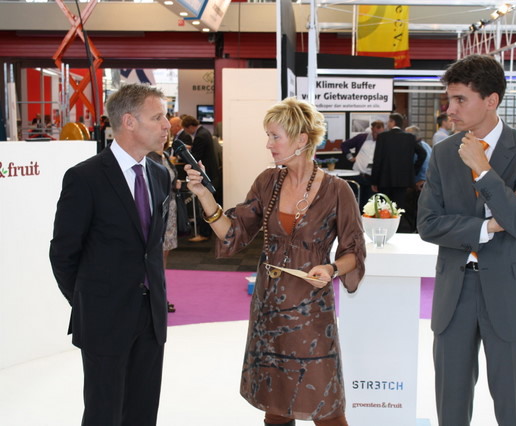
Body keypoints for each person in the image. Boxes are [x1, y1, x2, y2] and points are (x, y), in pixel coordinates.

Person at [185, 96, 366, 426]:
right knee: (276, 403)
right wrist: (204, 195)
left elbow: (354, 251)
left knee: (326, 407)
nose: (268, 144)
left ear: (301, 140)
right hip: (268, 307)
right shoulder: (267, 182)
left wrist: (331, 268)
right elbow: (233, 234)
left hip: (311, 311)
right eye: (268, 135)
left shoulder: (338, 190)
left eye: (274, 136)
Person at [417, 54, 516, 426]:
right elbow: (428, 224)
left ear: (491, 100)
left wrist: (483, 168)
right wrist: (489, 226)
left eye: (460, 99)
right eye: (450, 99)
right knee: (451, 402)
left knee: (513, 404)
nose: (450, 109)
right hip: (455, 290)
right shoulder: (443, 153)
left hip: (510, 290)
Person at [49, 83, 171, 426]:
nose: (167, 125)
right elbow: (63, 253)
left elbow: (151, 248)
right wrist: (90, 301)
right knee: (103, 414)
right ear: (129, 122)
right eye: (158, 117)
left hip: (151, 317)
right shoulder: (85, 177)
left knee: (143, 412)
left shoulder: (160, 174)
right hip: (104, 319)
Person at [371, 112, 427, 233]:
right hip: (403, 180)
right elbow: (423, 153)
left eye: (389, 121)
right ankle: (398, 231)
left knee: (384, 208)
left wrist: (374, 180)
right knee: (399, 208)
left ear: (393, 122)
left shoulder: (383, 137)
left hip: (384, 179)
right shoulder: (409, 137)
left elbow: (377, 160)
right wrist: (413, 170)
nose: (387, 124)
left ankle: (385, 231)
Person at [148, 137, 182, 313]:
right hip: (157, 211)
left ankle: (160, 295)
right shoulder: (149, 156)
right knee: (156, 255)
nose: (164, 135)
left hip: (171, 209)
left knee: (164, 255)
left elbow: (170, 179)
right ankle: (156, 297)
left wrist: (176, 185)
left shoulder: (165, 156)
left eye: (166, 133)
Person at [182, 115, 222, 240]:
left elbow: (195, 157)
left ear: (190, 126)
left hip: (206, 174)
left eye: (186, 129)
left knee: (205, 204)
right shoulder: (204, 132)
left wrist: (186, 154)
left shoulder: (200, 136)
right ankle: (208, 231)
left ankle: (204, 233)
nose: (186, 132)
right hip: (212, 172)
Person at [340, 119, 385, 210]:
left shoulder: (384, 141)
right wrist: (350, 157)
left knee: (368, 202)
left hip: (371, 177)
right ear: (372, 129)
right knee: (354, 200)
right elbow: (344, 145)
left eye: (380, 133)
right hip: (357, 174)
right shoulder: (362, 138)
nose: (377, 136)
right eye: (375, 133)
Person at [405, 125, 432, 232]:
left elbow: (422, 166)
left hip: (418, 183)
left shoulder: (417, 148)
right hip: (425, 182)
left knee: (413, 211)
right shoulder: (426, 145)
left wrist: (419, 180)